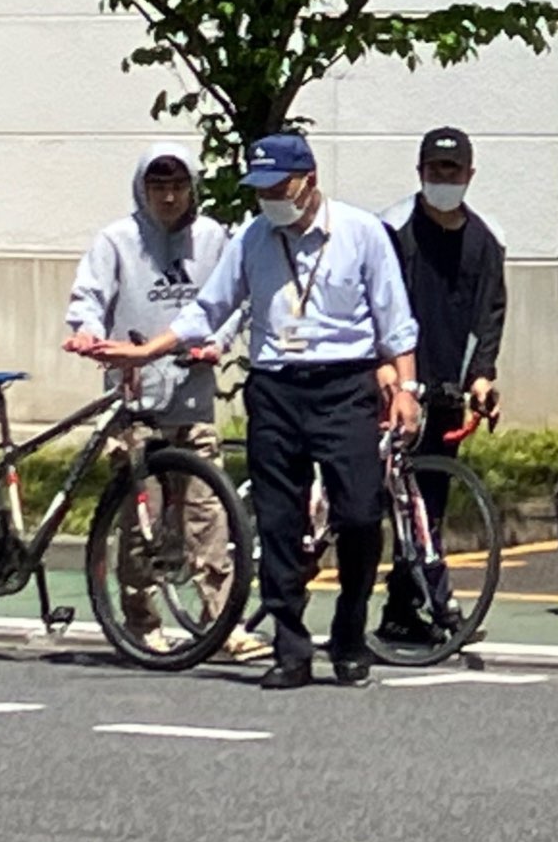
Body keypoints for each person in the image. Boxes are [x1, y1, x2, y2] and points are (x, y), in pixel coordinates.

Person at [88, 132, 420, 690]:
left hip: (344, 384)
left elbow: (395, 319)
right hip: (276, 387)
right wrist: (148, 350)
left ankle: (348, 628)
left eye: (277, 186)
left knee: (361, 515)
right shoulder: (253, 238)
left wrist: (406, 387)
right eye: (260, 188)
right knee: (278, 519)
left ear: (308, 180)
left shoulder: (362, 233)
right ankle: (291, 647)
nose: (268, 198)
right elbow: (210, 308)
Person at [61, 146, 259, 660]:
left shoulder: (214, 239)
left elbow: (237, 298)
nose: (169, 197)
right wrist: (87, 331)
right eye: (158, 187)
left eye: (178, 186)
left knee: (208, 513)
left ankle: (222, 622)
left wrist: (220, 340)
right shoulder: (117, 241)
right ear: (142, 189)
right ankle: (141, 621)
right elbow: (88, 297)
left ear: (192, 187)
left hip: (191, 399)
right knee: (137, 515)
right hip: (135, 402)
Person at [380, 125, 506, 646]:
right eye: (435, 171)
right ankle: (437, 600)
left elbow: (490, 316)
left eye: (452, 171)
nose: (443, 180)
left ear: (470, 175)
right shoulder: (393, 231)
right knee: (385, 501)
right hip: (392, 388)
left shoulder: (484, 241)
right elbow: (375, 304)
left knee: (427, 500)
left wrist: (481, 377)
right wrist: (384, 369)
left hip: (446, 392)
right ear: (420, 173)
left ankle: (401, 610)